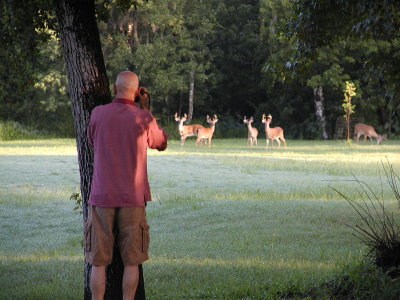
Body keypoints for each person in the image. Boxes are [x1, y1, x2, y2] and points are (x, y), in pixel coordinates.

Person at [85, 71, 168, 300]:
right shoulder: (143, 118)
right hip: (133, 197)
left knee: (98, 262)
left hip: (102, 196)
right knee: (132, 261)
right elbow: (160, 143)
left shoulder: (98, 114)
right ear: (137, 91)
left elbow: (91, 140)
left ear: (114, 88)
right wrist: (146, 108)